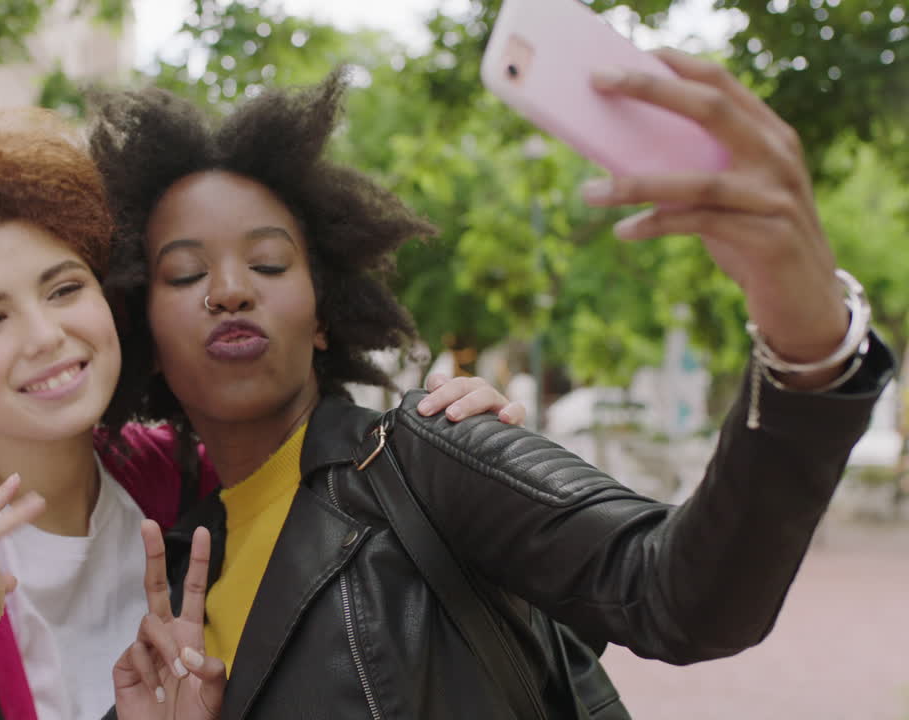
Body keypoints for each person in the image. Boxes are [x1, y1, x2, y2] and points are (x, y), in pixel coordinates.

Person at [90, 51, 895, 718]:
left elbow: (683, 595)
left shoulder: (425, 454)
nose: (230, 289)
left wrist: (808, 344)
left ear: (325, 314)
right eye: (186, 272)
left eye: (268, 263)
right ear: (147, 342)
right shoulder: (175, 564)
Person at [0, 108, 515, 720]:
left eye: (63, 289)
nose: (46, 336)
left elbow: (332, 483)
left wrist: (449, 440)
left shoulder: (170, 472)